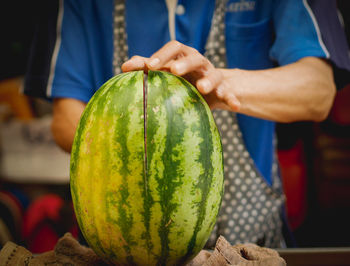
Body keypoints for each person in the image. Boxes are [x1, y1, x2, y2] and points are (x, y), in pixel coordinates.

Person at [24, 0, 350, 248]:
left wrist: (220, 84)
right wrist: (131, 141)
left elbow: (318, 91)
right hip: (120, 247)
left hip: (250, 243)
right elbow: (66, 120)